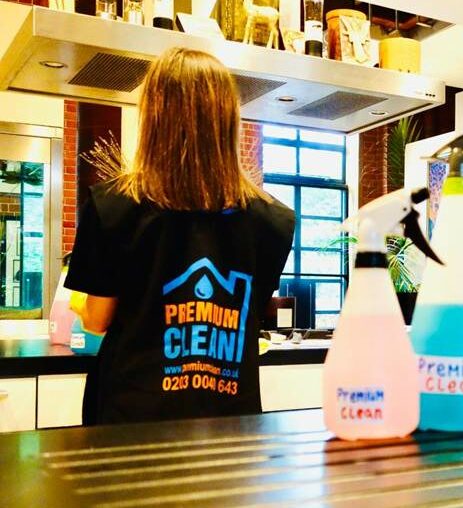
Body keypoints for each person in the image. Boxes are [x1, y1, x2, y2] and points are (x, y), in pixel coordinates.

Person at [65, 47, 294, 424]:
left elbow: (96, 320)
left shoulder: (112, 206)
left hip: (130, 418)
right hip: (229, 420)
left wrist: (78, 301)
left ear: (154, 116)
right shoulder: (274, 221)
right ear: (228, 119)